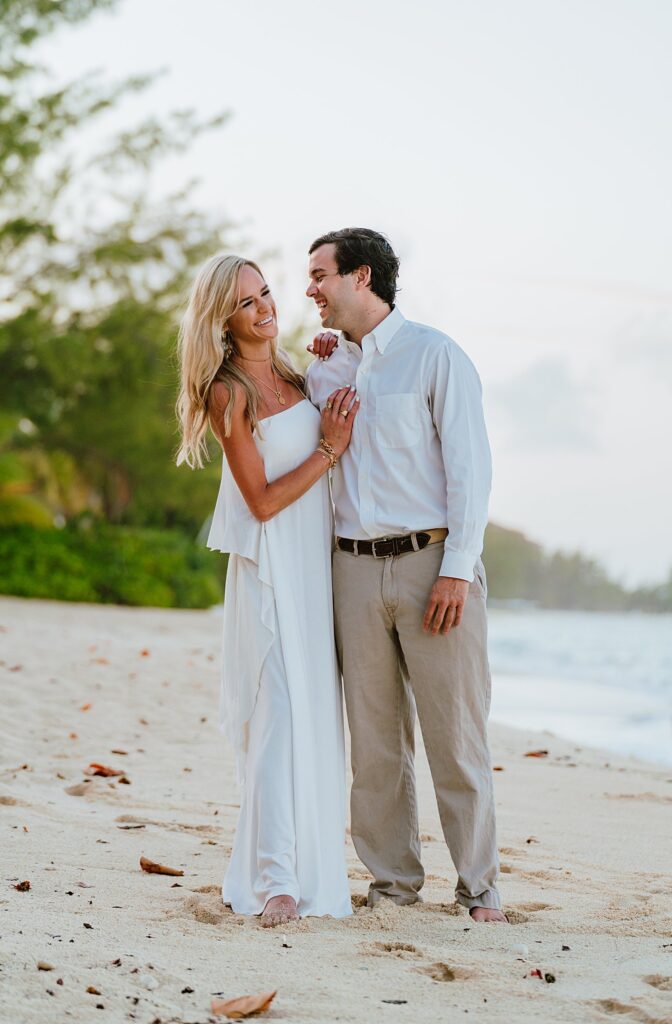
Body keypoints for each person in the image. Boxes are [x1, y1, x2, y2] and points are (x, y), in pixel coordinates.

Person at [305, 228, 507, 923]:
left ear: (361, 277)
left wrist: (456, 571)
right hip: (352, 572)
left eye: (320, 275)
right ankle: (391, 885)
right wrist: (323, 361)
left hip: (431, 567)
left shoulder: (435, 356)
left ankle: (478, 886)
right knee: (374, 742)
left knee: (456, 736)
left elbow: (469, 472)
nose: (310, 289)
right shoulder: (326, 369)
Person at [176, 253, 358, 927]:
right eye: (249, 302)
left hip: (312, 568)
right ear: (223, 318)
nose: (266, 307)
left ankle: (308, 871)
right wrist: (328, 450)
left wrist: (330, 353)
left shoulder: (288, 372)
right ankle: (275, 878)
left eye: (267, 293)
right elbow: (259, 501)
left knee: (312, 716)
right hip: (268, 572)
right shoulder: (230, 392)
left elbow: (347, 393)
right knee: (277, 719)